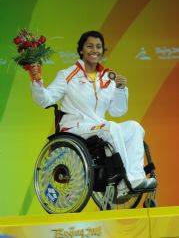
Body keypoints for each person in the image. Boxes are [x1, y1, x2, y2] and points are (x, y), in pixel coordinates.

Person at [29, 30, 157, 196]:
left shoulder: (107, 77)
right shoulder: (67, 75)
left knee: (134, 127)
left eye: (98, 47)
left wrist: (120, 89)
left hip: (99, 127)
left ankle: (137, 178)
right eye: (89, 46)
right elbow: (45, 100)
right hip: (75, 127)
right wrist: (37, 80)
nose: (94, 50)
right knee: (110, 128)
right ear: (81, 50)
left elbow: (117, 111)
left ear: (103, 51)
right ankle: (126, 181)